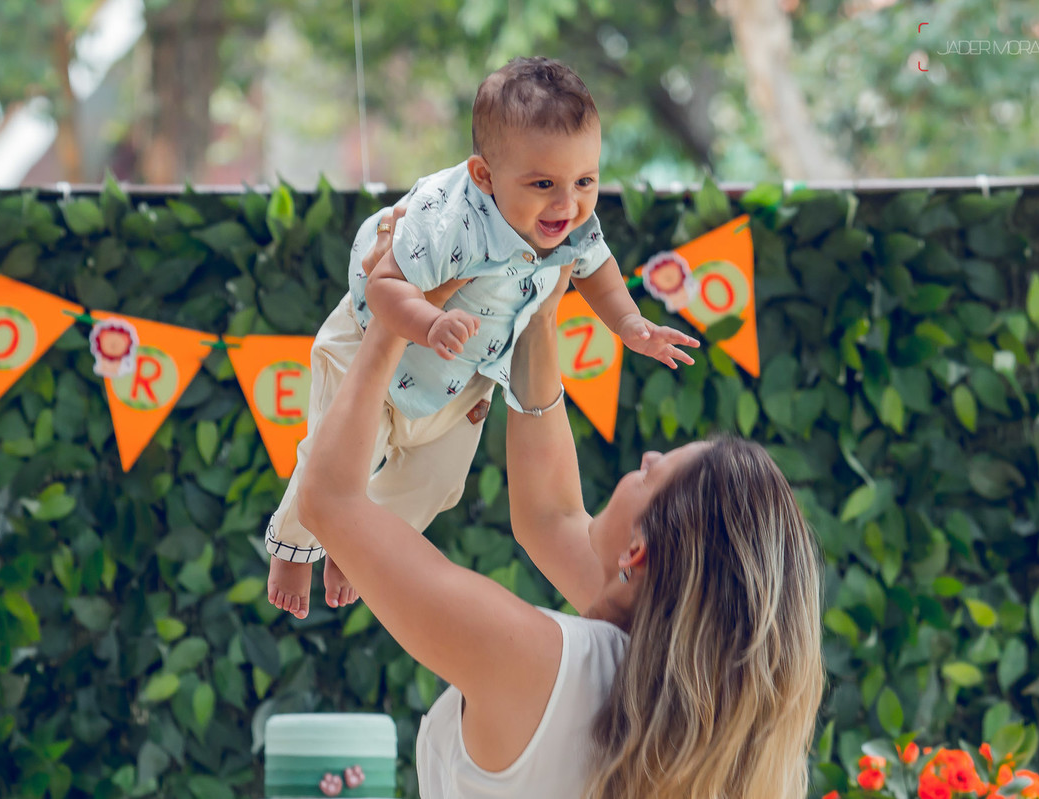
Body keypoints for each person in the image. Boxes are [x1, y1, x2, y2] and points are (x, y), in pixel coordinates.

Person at [293, 212, 826, 798]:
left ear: (637, 551)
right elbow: (550, 519)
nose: (644, 456)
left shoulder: (539, 662)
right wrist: (538, 310)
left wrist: (393, 312)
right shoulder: (695, 724)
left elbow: (330, 503)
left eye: (652, 471)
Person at [266, 56, 696, 618]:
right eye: (543, 184)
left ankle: (359, 543)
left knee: (438, 483)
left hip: (461, 378)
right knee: (336, 455)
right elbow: (382, 287)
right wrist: (429, 320)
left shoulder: (569, 222)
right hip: (376, 350)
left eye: (585, 181)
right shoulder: (447, 220)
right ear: (484, 175)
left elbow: (597, 270)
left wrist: (630, 324)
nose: (567, 204)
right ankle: (292, 548)